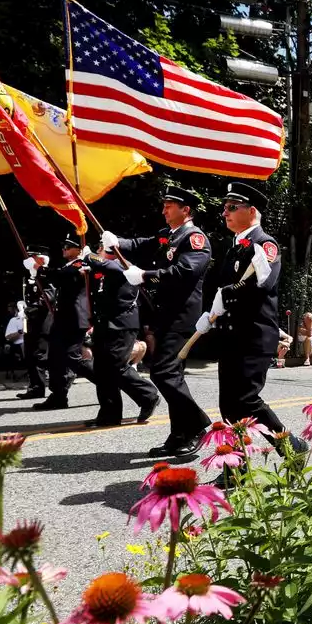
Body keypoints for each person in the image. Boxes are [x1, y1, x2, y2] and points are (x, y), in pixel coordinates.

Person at [194, 181, 304, 456]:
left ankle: (291, 448)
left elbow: (262, 284)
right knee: (229, 405)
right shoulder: (235, 247)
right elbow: (217, 284)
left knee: (246, 399)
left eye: (232, 207)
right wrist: (209, 313)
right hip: (231, 335)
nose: (225, 212)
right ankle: (236, 466)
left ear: (251, 211)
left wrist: (228, 294)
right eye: (225, 207)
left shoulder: (264, 244)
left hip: (254, 335)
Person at [102, 186, 212, 457]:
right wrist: (118, 242)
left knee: (163, 373)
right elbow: (143, 244)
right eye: (163, 204)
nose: (163, 209)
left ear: (186, 209)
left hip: (183, 316)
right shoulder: (168, 236)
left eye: (169, 205)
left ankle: (197, 424)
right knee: (171, 376)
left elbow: (185, 271)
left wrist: (146, 275)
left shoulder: (195, 238)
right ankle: (179, 434)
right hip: (165, 314)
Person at [81, 247, 160, 427]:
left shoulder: (124, 266)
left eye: (101, 247)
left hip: (121, 324)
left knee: (115, 366)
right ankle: (109, 414)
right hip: (104, 324)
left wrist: (89, 256)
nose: (98, 250)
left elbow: (112, 268)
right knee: (102, 370)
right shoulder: (102, 269)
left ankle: (148, 395)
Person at [32, 236, 98, 411]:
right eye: (64, 246)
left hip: (75, 319)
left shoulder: (82, 264)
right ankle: (58, 395)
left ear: (79, 249)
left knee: (72, 358)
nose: (64, 249)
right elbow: (58, 277)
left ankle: (106, 381)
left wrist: (40, 269)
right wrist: (39, 272)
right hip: (63, 318)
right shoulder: (67, 266)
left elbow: (64, 276)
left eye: (68, 247)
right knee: (55, 358)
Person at [18, 245, 54, 400]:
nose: (28, 260)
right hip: (31, 321)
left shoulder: (46, 276)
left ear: (41, 259)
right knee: (30, 355)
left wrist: (28, 310)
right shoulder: (29, 277)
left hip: (43, 321)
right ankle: (34, 387)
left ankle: (40, 387)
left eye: (32, 257)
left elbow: (48, 298)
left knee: (39, 355)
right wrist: (22, 306)